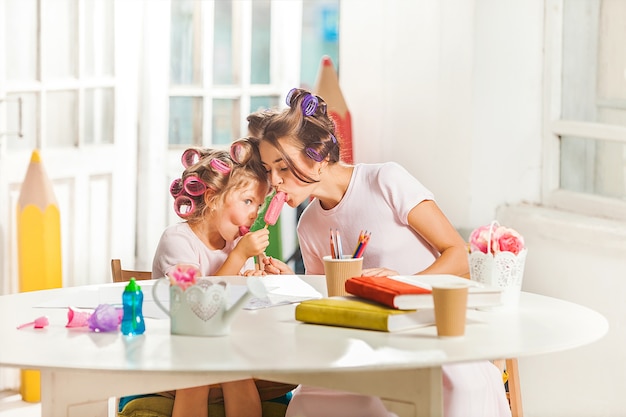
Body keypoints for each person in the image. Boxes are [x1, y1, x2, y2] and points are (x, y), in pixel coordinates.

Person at [248, 87, 512, 417]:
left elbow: (457, 255)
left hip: (429, 331)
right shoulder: (309, 225)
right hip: (365, 341)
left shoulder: (385, 180)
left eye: (282, 167)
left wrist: (400, 286)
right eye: (267, 169)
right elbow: (334, 304)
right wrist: (291, 286)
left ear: (319, 154)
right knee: (309, 401)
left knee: (455, 389)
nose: (274, 181)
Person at [148, 144, 294, 417]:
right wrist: (239, 256)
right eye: (248, 201)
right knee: (203, 371)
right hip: (178, 349)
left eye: (260, 204)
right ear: (214, 198)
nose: (255, 213)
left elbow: (236, 310)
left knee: (234, 364)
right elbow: (198, 304)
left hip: (229, 345)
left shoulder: (236, 243)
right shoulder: (177, 240)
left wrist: (254, 282)